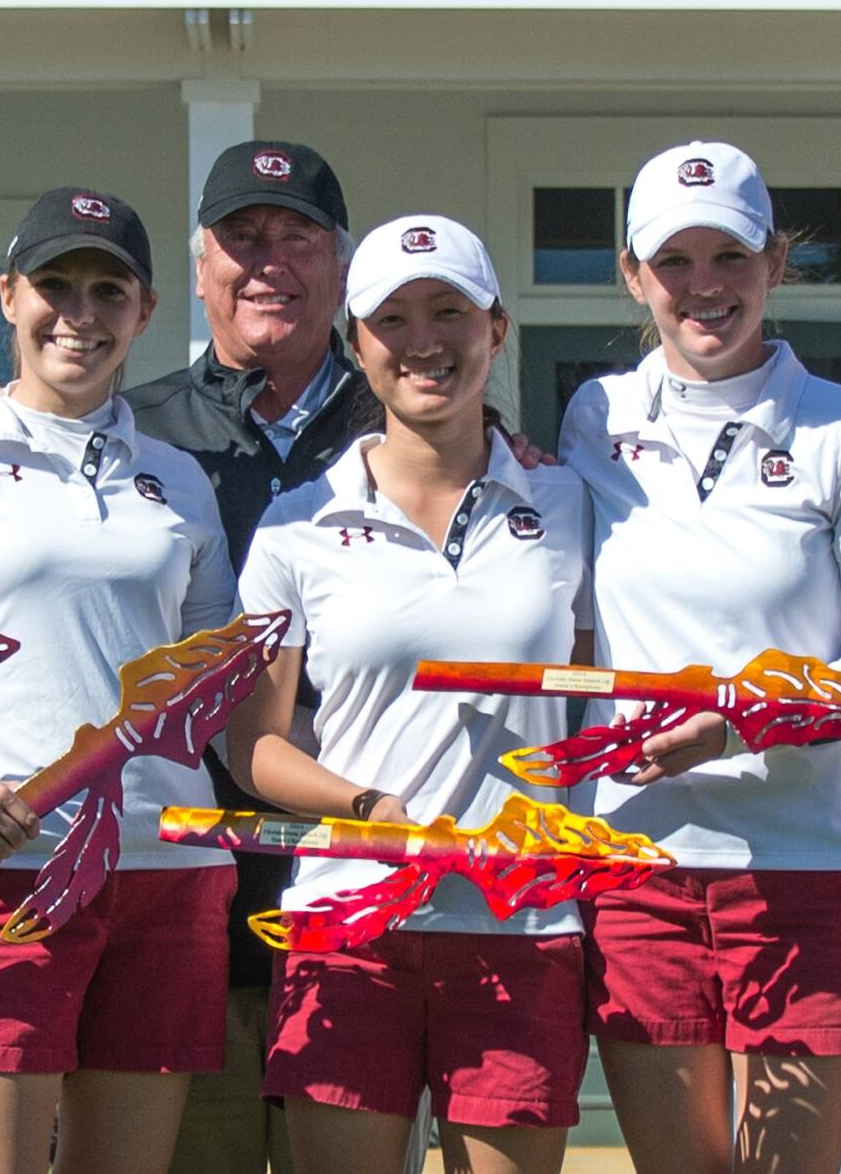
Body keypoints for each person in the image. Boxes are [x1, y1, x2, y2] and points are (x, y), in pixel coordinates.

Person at [0, 187, 238, 1174]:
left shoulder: (180, 482)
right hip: (9, 870)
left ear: (144, 313)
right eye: (54, 284)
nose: (81, 311)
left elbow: (218, 692)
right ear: (10, 296)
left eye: (110, 289)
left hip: (164, 871)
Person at [558, 141, 841, 1174]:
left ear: (774, 262)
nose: (704, 286)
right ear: (633, 276)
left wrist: (736, 720)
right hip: (638, 866)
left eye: (731, 254)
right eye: (675, 260)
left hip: (804, 864)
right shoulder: (596, 417)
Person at [226, 215, 594, 1174]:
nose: (423, 339)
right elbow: (253, 746)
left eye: (450, 311)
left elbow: (597, 706)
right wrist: (366, 807)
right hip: (350, 917)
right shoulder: (296, 525)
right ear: (357, 344)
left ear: (497, 330)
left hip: (522, 922)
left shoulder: (568, 504)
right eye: (392, 318)